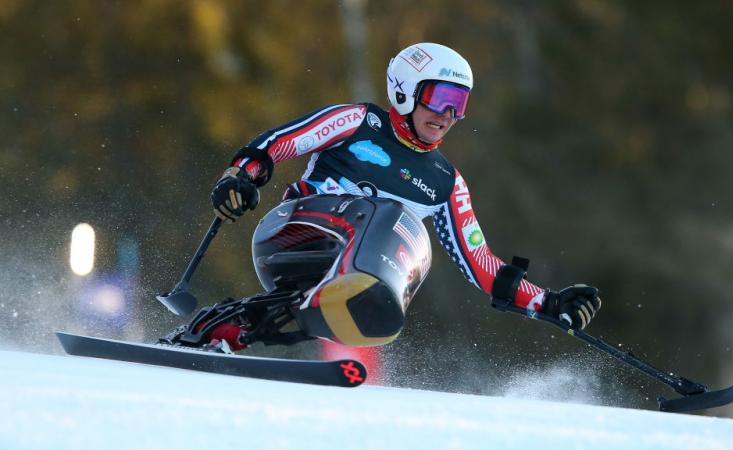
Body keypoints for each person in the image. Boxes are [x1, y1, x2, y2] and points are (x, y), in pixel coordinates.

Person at [207, 42, 601, 351]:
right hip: (292, 236)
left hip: (359, 270)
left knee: (410, 241)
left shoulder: (447, 181)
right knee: (392, 217)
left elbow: (480, 263)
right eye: (439, 97)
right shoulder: (361, 121)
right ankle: (358, 292)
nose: (447, 114)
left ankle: (231, 329)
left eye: (459, 103)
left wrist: (547, 303)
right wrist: (241, 177)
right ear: (405, 93)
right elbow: (281, 142)